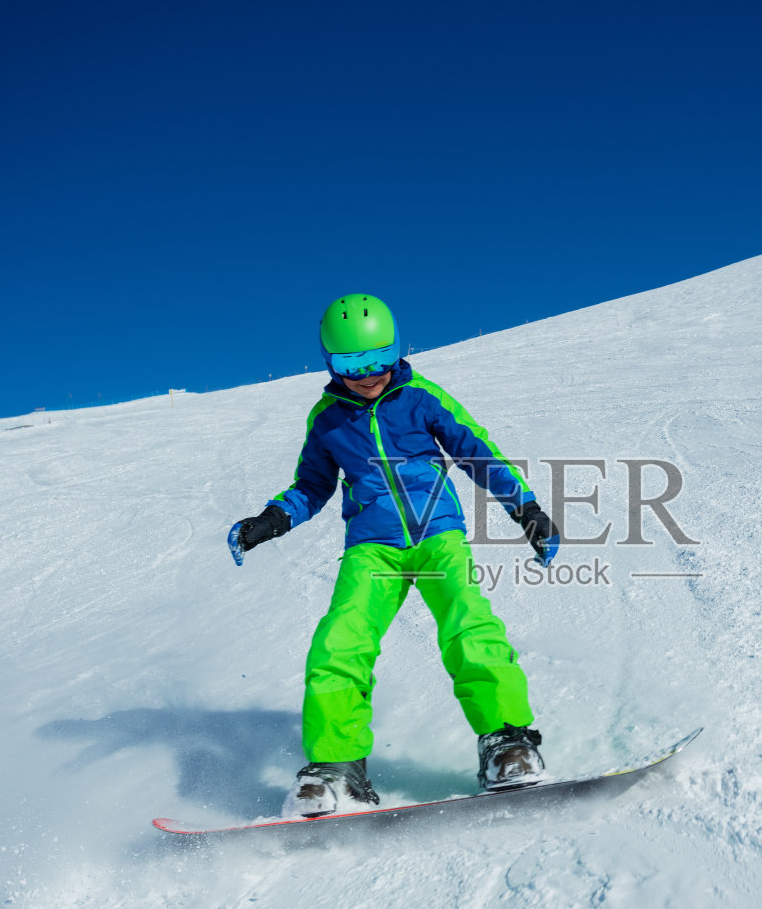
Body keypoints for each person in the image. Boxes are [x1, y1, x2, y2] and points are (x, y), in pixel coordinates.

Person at [231, 293, 561, 818]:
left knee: (469, 625)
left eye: (379, 360)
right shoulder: (327, 420)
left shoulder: (421, 398)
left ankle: (507, 741)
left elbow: (477, 452)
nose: (368, 375)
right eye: (352, 365)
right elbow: (312, 485)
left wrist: (526, 508)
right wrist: (273, 518)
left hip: (437, 537)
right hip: (372, 548)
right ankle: (336, 767)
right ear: (331, 363)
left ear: (397, 349)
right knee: (340, 642)